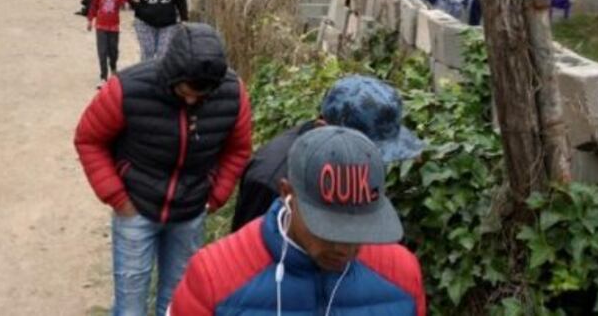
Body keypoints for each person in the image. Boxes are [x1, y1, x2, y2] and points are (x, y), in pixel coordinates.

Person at [75, 23, 253, 316]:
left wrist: (215, 197)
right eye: (185, 91)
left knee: (178, 305)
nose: (192, 100)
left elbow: (238, 149)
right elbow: (89, 138)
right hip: (135, 209)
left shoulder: (232, 95)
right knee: (130, 307)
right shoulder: (128, 88)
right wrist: (118, 198)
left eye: (202, 94)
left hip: (191, 212)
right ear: (170, 73)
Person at [169, 126, 427, 316]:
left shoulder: (402, 274)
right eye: (329, 229)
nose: (345, 249)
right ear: (287, 193)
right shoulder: (213, 276)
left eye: (358, 230)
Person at [229, 75, 425, 234]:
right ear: (322, 128)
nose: (371, 162)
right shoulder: (269, 178)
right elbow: (245, 260)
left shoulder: (356, 163)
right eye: (364, 150)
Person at [87, 0, 129, 87]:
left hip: (114, 27)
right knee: (102, 52)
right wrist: (90, 20)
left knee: (113, 51)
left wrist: (126, 2)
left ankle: (113, 68)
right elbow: (93, 6)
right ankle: (103, 77)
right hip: (101, 26)